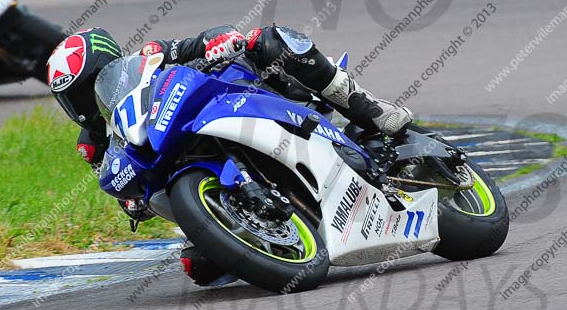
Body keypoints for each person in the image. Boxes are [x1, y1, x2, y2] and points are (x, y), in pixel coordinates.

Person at [46, 24, 413, 285]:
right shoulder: (92, 143)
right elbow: (115, 186)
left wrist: (218, 42)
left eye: (85, 88)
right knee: (200, 268)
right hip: (187, 163)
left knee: (269, 41)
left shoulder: (149, 58)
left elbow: (195, 44)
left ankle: (367, 108)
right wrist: (131, 203)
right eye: (71, 97)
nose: (81, 102)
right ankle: (259, 223)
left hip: (234, 95)